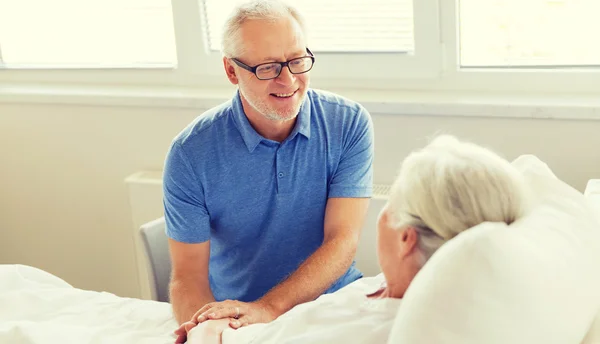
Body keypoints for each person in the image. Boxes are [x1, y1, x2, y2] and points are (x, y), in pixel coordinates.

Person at [163, 0, 375, 343]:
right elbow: (187, 276)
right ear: (232, 71)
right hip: (240, 320)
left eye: (296, 60)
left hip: (332, 306)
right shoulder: (191, 154)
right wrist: (207, 328)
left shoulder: (348, 123)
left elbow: (343, 240)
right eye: (268, 68)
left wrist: (270, 307)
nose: (288, 80)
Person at [183, 134, 531, 344]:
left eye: (390, 201)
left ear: (407, 238)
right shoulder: (387, 287)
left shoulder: (374, 330)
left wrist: (208, 329)